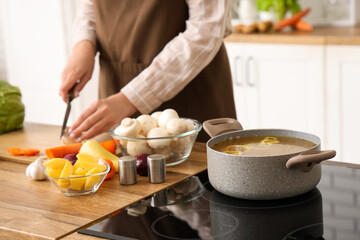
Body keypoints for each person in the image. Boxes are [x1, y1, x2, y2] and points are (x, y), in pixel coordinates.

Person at [60, 0, 236, 142]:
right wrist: (83, 44)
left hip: (189, 94)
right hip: (115, 87)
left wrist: (130, 99)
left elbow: (205, 30)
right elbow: (90, 4)